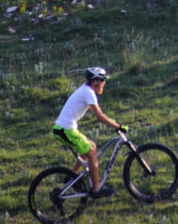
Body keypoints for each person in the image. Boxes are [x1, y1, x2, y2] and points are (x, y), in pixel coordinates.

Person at [52, 67, 125, 198]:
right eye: (102, 80)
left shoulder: (86, 89)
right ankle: (96, 191)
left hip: (66, 128)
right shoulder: (88, 93)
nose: (104, 83)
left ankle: (71, 178)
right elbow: (99, 116)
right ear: (95, 81)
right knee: (91, 153)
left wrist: (115, 124)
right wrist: (117, 126)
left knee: (91, 146)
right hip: (65, 130)